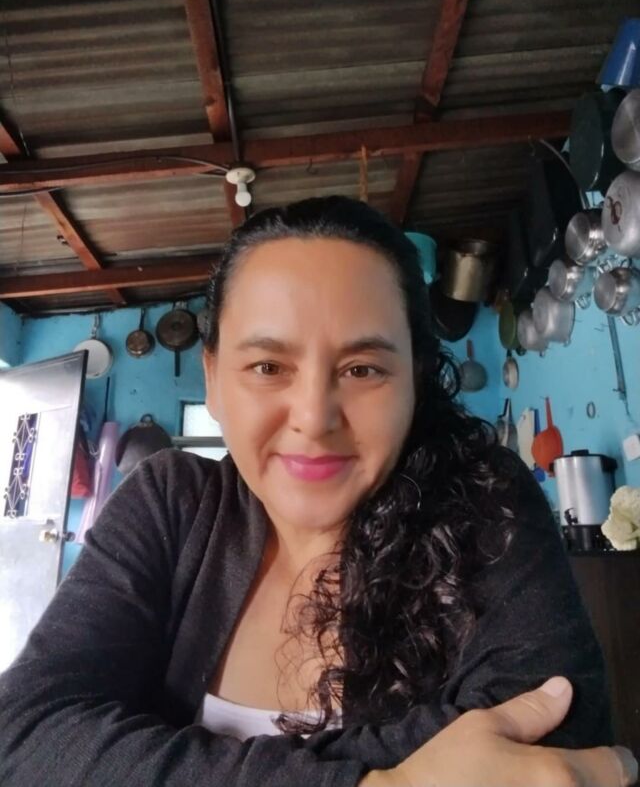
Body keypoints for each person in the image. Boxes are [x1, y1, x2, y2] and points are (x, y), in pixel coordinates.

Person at [0, 196, 636, 787]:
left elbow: (550, 748)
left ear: (415, 380)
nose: (313, 417)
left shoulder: (485, 504)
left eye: (362, 369)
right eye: (268, 366)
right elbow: (26, 736)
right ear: (213, 379)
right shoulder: (169, 503)